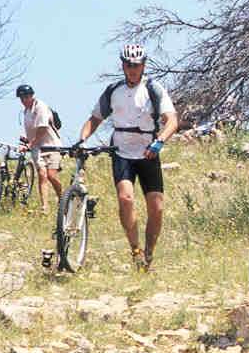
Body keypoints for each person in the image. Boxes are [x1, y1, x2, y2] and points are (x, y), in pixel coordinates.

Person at [77, 44, 180, 271]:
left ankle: (149, 253)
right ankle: (136, 251)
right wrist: (82, 139)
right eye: (128, 65)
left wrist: (160, 141)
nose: (132, 69)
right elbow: (94, 119)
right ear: (123, 66)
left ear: (143, 66)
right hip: (122, 151)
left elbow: (172, 120)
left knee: (156, 207)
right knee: (125, 198)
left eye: (136, 65)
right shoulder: (113, 90)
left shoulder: (153, 89)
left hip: (148, 152)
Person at [16, 85, 62, 212]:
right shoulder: (25, 112)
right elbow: (30, 131)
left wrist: (30, 144)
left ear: (32, 96)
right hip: (37, 147)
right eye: (21, 98)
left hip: (52, 145)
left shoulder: (40, 106)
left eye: (26, 97)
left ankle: (62, 198)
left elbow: (43, 129)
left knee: (51, 176)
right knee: (42, 175)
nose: (24, 100)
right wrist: (25, 141)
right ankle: (44, 207)